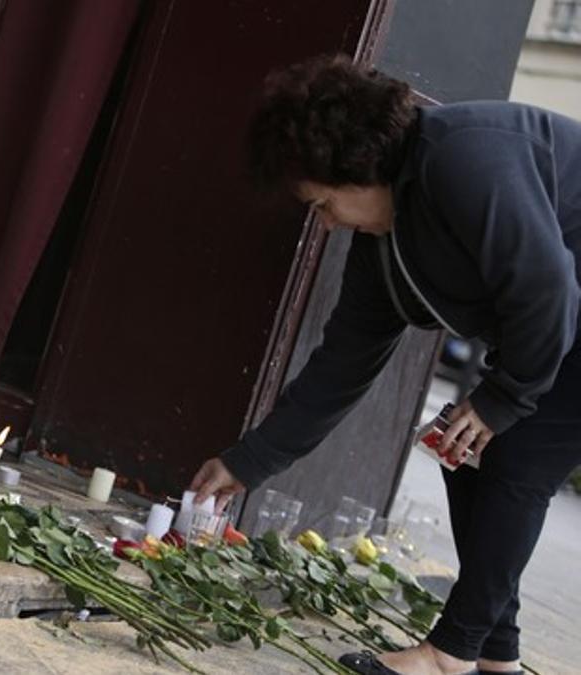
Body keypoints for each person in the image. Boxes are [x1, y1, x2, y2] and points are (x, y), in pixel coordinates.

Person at [190, 54, 581, 675]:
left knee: (517, 459)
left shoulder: (463, 159)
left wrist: (504, 397)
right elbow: (344, 360)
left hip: (568, 307)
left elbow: (547, 286)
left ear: (360, 169)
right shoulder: (384, 246)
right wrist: (250, 460)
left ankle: (449, 655)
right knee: (469, 455)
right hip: (561, 319)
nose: (323, 224)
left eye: (322, 204)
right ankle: (494, 655)